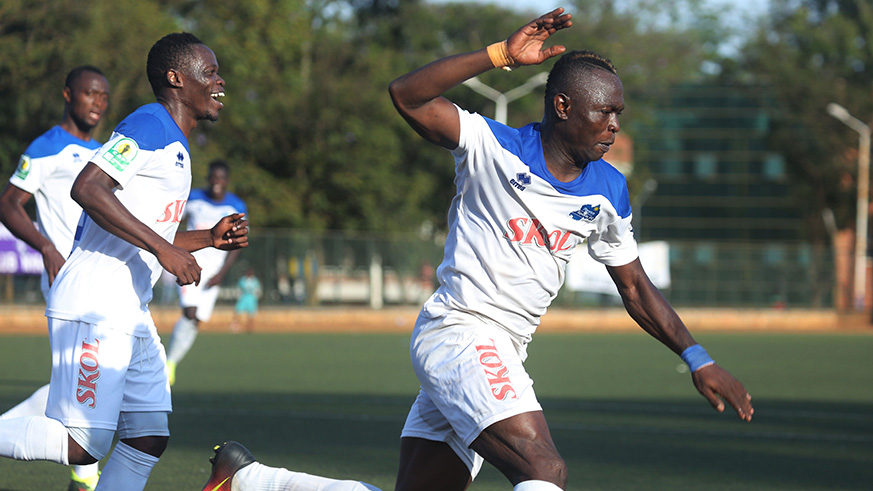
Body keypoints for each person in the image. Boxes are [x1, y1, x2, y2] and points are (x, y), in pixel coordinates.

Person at [200, 8, 754, 491]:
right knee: (545, 470)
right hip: (461, 332)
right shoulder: (493, 147)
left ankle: (247, 479)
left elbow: (634, 286)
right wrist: (499, 55)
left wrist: (697, 357)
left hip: (505, 350)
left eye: (619, 114)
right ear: (562, 106)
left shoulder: (609, 189)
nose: (614, 126)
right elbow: (406, 94)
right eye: (604, 112)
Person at [0, 32, 249, 491]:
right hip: (96, 302)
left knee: (149, 436)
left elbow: (154, 230)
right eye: (209, 72)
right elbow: (88, 188)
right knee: (83, 446)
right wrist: (165, 250)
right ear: (176, 78)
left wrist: (207, 240)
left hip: (130, 308)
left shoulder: (175, 142)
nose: (220, 81)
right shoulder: (150, 123)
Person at [0, 65, 109, 491]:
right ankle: (83, 478)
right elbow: (9, 204)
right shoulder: (47, 147)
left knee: (86, 379)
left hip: (101, 286)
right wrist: (46, 246)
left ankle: (83, 479)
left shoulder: (103, 152)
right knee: (83, 379)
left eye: (103, 95)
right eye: (89, 93)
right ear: (68, 95)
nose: (98, 102)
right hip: (68, 284)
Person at [165, 159, 247, 385]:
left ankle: (170, 362)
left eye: (221, 178)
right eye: (214, 177)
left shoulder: (236, 206)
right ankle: (167, 366)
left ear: (227, 181)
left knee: (196, 320)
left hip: (213, 276)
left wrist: (222, 273)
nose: (217, 182)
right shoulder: (193, 198)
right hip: (190, 265)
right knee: (189, 313)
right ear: (209, 178)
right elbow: (172, 223)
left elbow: (238, 243)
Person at [230, 268, 261, 333]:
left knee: (251, 314)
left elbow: (258, 290)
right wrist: (238, 296)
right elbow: (239, 289)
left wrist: (256, 297)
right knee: (238, 311)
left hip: (251, 298)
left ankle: (250, 327)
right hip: (243, 297)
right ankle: (235, 326)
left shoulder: (255, 281)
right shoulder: (242, 280)